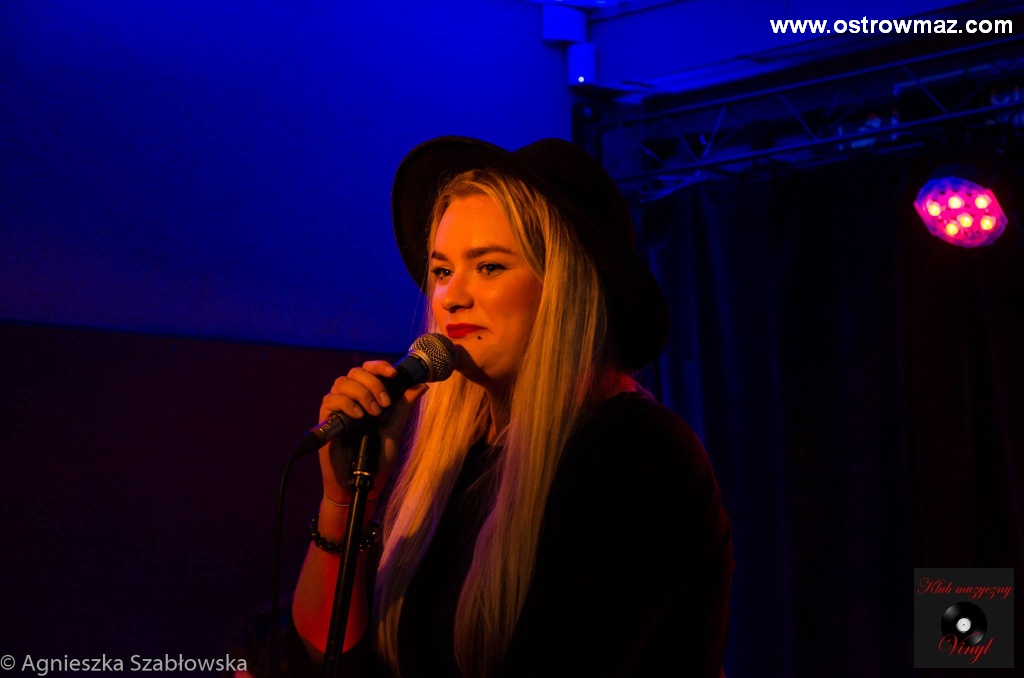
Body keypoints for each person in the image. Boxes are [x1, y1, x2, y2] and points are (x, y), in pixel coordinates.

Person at [249, 136, 733, 677]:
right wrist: (344, 500)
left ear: (564, 288)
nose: (451, 297)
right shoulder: (455, 465)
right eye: (442, 271)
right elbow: (326, 658)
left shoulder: (638, 455)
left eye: (489, 267)